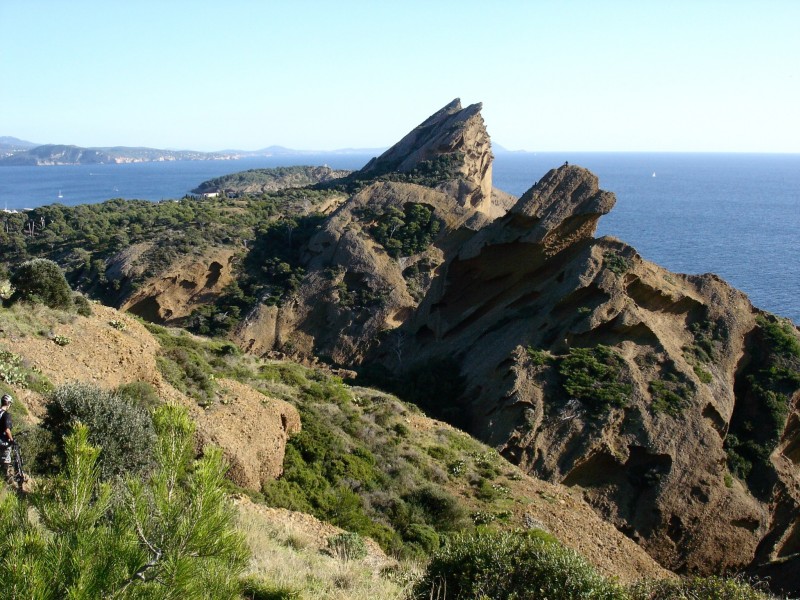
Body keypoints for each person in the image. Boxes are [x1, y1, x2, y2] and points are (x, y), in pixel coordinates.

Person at [0, 394, 14, 484]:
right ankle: (6, 480)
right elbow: (7, 430)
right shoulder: (6, 415)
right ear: (8, 403)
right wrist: (11, 440)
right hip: (3, 441)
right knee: (6, 461)